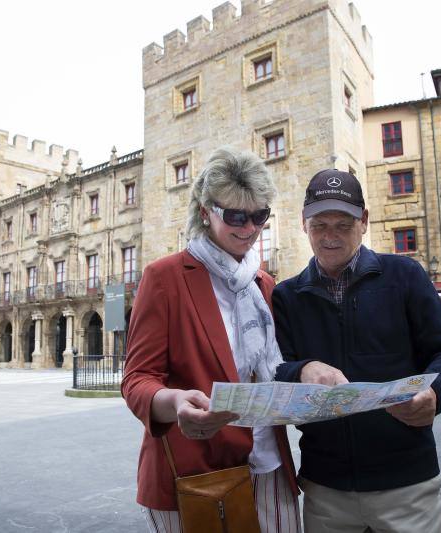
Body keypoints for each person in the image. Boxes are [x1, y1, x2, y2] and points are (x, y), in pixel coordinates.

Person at [272, 169, 441, 532]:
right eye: (319, 225)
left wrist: (435, 393)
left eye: (343, 225)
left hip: (407, 486)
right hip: (324, 489)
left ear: (364, 221)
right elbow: (275, 369)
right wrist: (302, 369)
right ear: (303, 224)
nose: (330, 237)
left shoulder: (404, 276)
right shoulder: (286, 296)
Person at [121, 147, 301, 533]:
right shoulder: (165, 277)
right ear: (205, 212)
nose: (249, 229)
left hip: (269, 464)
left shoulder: (263, 284)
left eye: (259, 216)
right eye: (235, 216)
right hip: (195, 473)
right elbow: (136, 380)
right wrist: (173, 402)